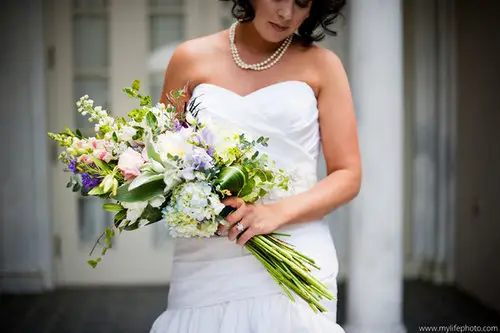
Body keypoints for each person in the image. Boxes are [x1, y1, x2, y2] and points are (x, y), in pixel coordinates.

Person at [150, 0, 360, 332]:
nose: (286, 13)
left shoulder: (323, 66)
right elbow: (162, 156)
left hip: (297, 248)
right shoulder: (189, 59)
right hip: (207, 256)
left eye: (302, 2)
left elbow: (348, 175)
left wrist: (275, 213)